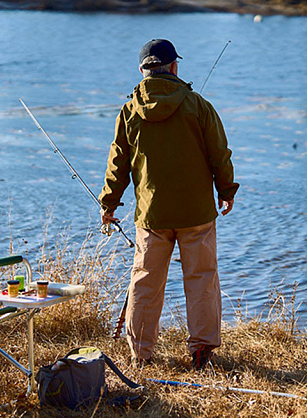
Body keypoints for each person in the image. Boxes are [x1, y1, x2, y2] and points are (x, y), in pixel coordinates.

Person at [99, 39, 239, 370]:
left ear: (142, 71)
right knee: (202, 278)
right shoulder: (198, 105)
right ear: (174, 67)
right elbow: (220, 152)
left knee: (145, 281)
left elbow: (117, 162)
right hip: (196, 213)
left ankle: (141, 355)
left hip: (152, 214)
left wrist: (109, 203)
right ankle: (202, 350)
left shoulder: (129, 110)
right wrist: (226, 190)